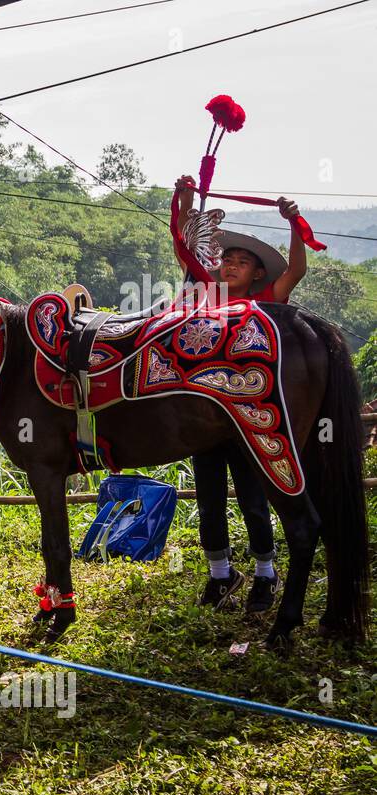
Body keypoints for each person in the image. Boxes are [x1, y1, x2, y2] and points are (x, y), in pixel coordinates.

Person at [175, 175, 308, 612]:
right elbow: (183, 246)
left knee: (253, 499)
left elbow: (297, 271)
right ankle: (220, 576)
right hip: (204, 414)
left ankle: (266, 575)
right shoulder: (204, 295)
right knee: (209, 499)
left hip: (250, 417)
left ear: (256, 274)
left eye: (242, 262)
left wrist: (293, 223)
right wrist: (184, 199)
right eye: (227, 259)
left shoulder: (269, 298)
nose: (231, 265)